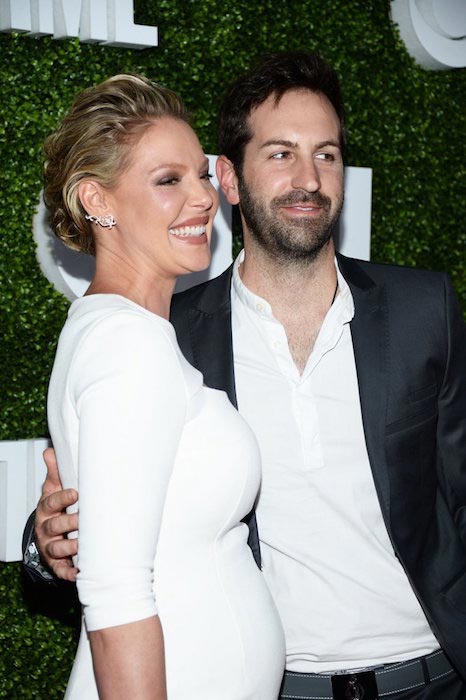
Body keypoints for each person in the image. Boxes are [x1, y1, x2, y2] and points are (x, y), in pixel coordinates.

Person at [25, 53, 466, 699]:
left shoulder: (424, 310)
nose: (309, 179)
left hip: (432, 679)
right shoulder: (168, 334)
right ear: (229, 179)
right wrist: (46, 545)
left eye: (327, 154)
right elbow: (103, 516)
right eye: (281, 154)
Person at [35, 73, 285, 700]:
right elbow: (115, 590)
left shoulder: (122, 329)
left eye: (201, 175)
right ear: (98, 201)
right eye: (168, 180)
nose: (202, 198)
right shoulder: (129, 343)